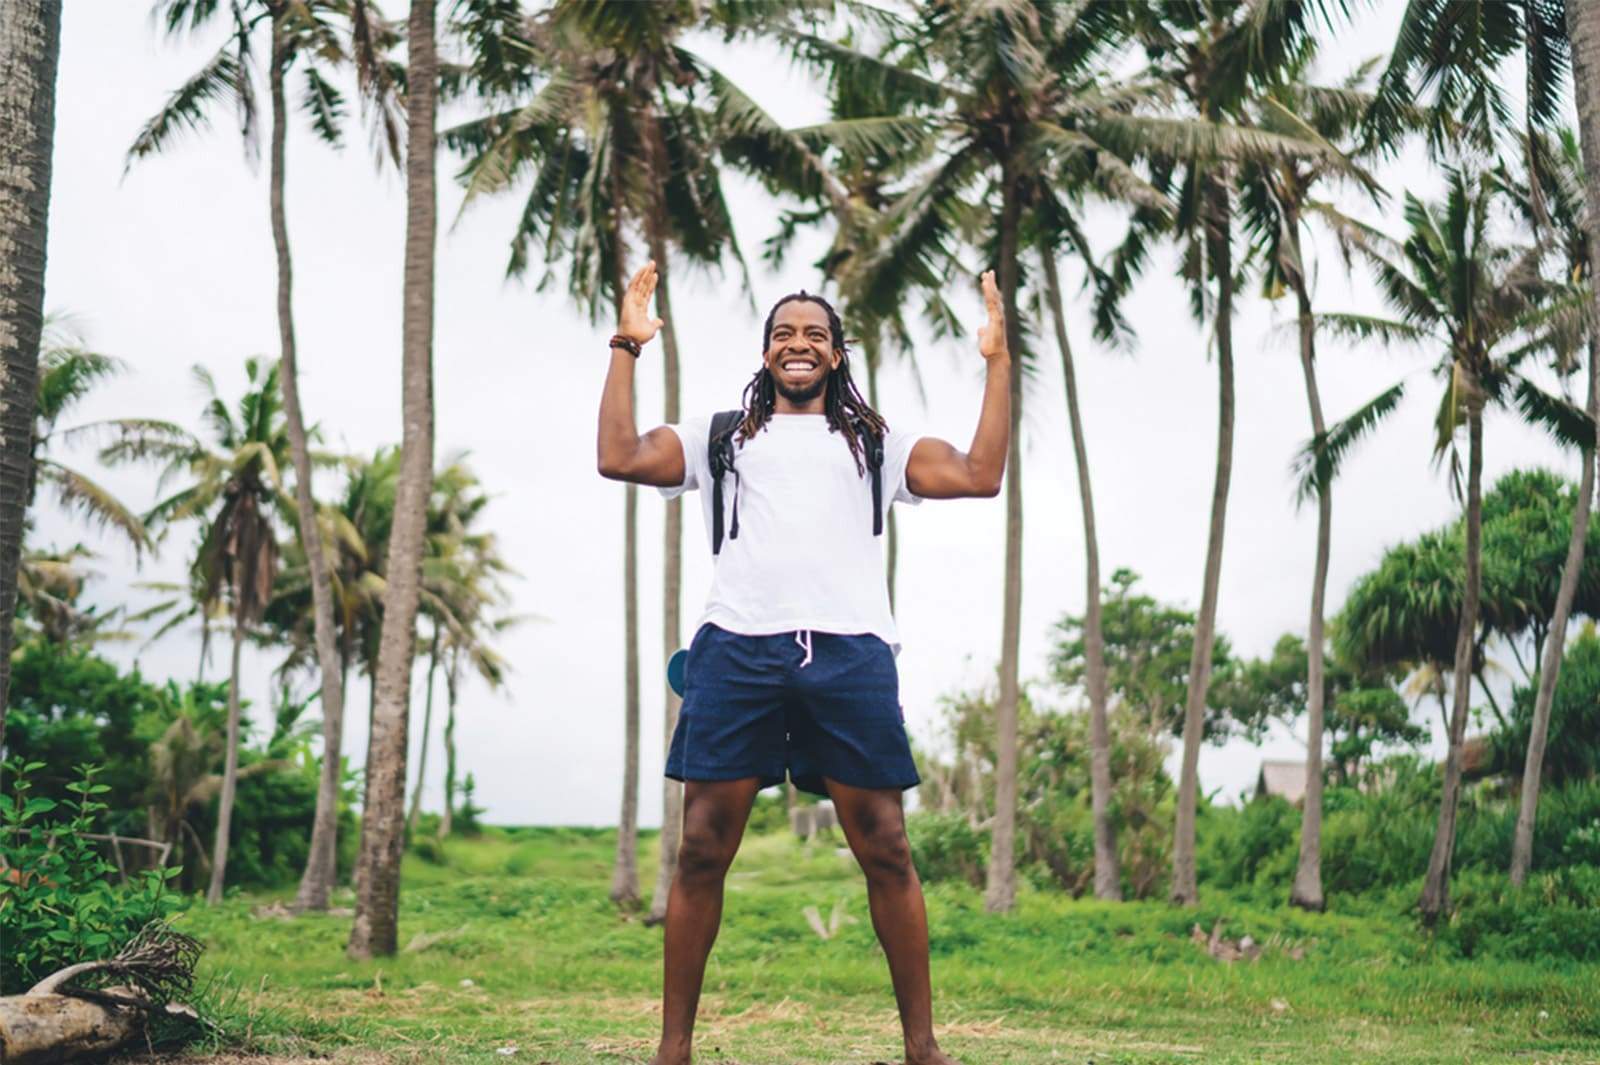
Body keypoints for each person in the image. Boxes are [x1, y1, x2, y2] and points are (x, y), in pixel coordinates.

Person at [596, 259, 1010, 1065]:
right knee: (702, 845)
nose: (798, 343)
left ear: (836, 354)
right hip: (737, 650)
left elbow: (980, 474)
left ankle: (923, 1049)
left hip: (850, 652)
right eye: (783, 333)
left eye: (814, 334)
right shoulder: (720, 438)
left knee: (886, 844)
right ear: (765, 354)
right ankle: (672, 1050)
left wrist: (996, 362)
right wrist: (627, 342)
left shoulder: (875, 444)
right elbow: (616, 454)